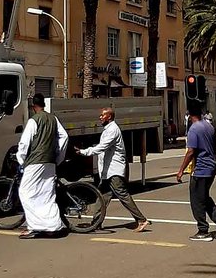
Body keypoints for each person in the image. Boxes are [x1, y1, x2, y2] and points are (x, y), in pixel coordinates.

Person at [76, 106, 150, 232]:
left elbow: (102, 147)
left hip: (114, 170)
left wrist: (84, 152)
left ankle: (141, 219)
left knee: (122, 194)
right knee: (102, 196)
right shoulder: (108, 129)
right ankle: (96, 223)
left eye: (102, 115)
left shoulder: (112, 130)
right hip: (108, 171)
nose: (100, 117)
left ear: (109, 116)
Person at [16, 93, 69, 239]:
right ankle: (52, 225)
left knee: (25, 193)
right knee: (46, 195)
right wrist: (58, 157)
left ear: (33, 106)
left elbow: (24, 143)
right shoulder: (53, 119)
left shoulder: (34, 120)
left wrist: (21, 160)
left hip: (35, 161)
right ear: (44, 104)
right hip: (50, 162)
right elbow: (64, 137)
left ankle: (34, 227)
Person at [176, 108, 216, 241]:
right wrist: (214, 162)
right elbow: (215, 147)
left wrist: (181, 170)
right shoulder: (209, 127)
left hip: (200, 169)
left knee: (196, 201)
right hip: (210, 167)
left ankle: (203, 230)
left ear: (190, 116)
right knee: (204, 197)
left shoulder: (194, 129)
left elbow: (190, 151)